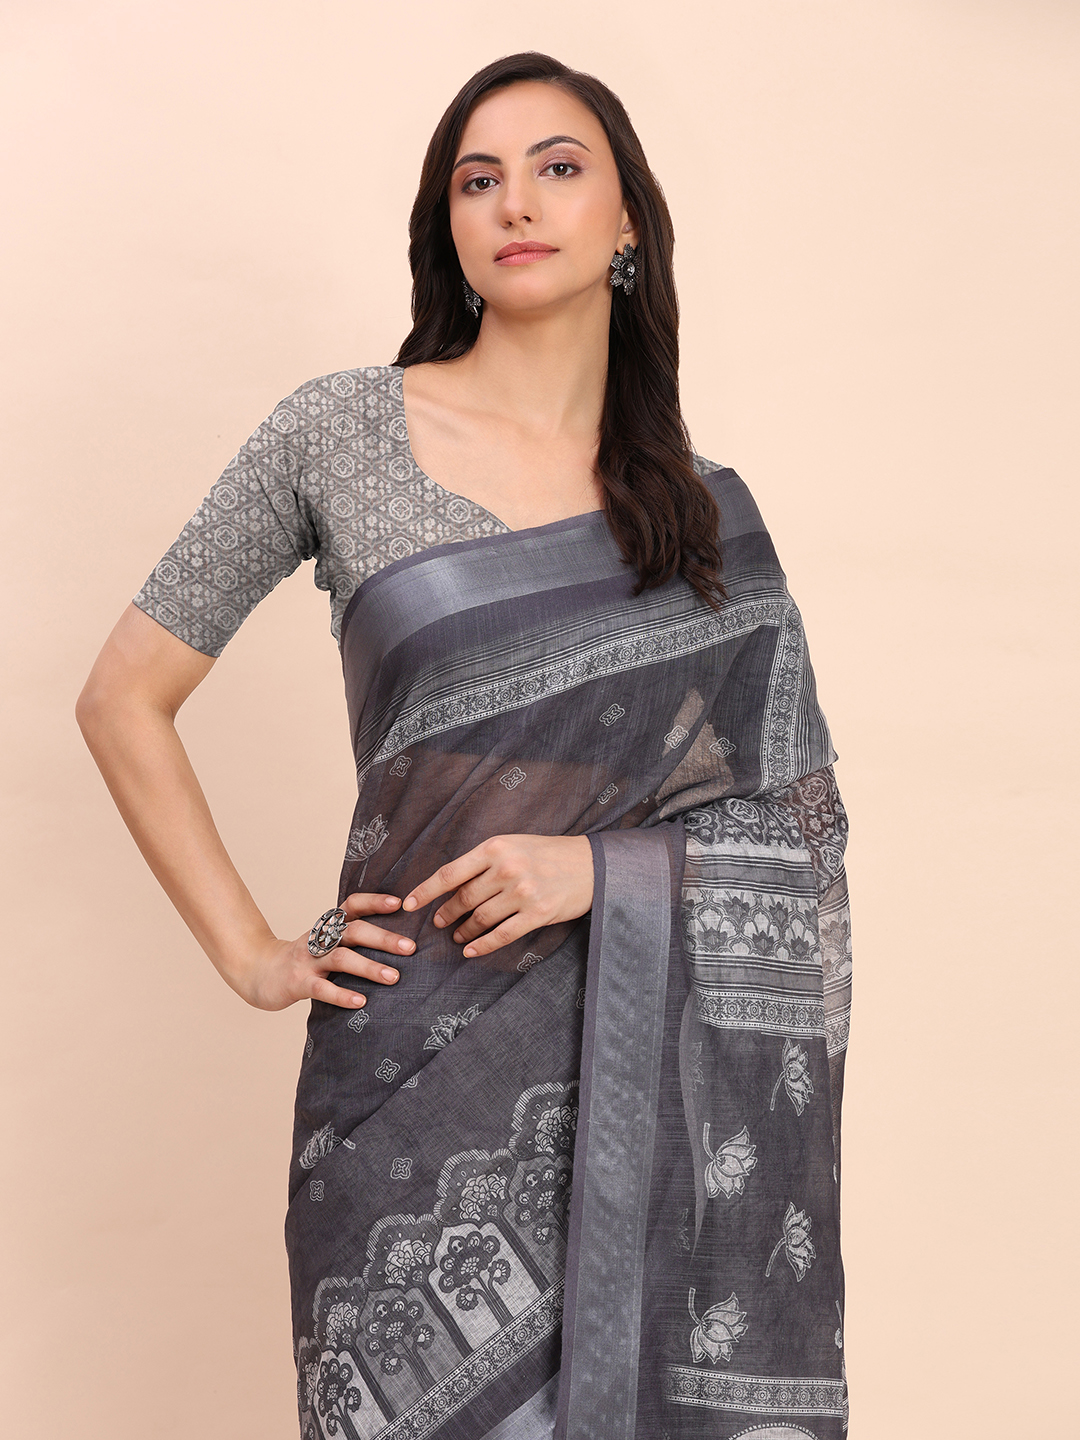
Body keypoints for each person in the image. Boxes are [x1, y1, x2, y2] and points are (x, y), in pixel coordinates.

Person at [77, 51, 853, 1440]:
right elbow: (122, 695)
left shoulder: (704, 518)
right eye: (476, 179)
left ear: (628, 220)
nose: (516, 202)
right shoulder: (339, 431)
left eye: (558, 167)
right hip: (402, 1094)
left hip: (638, 1099)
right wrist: (255, 954)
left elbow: (799, 836)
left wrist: (597, 873)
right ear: (447, 224)